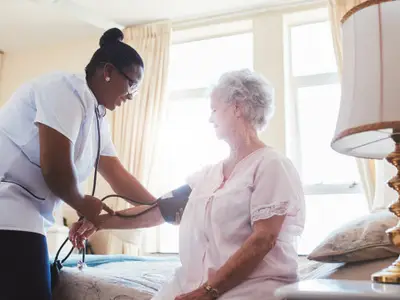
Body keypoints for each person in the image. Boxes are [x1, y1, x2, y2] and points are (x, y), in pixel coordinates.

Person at [70, 69, 306, 300]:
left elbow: (263, 239)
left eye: (214, 109)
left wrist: (207, 291)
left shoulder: (271, 164)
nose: (210, 118)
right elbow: (160, 210)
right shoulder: (209, 175)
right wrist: (99, 222)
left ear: (237, 107)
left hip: (251, 287)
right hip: (199, 284)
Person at [0, 28, 158, 300]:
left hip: (27, 214)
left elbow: (119, 176)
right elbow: (55, 169)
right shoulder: (64, 89)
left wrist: (160, 207)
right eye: (132, 84)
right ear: (108, 71)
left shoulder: (97, 119)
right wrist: (83, 204)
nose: (132, 95)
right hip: (8, 208)